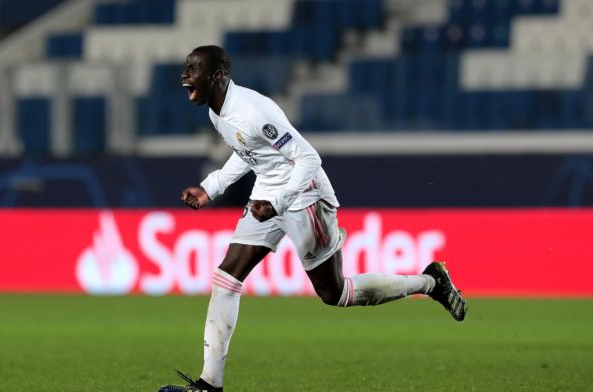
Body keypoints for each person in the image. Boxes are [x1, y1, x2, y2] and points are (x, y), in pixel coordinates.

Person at [159, 45, 467, 392]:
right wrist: (210, 187)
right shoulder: (218, 112)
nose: (184, 75)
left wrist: (278, 201)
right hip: (269, 194)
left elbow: (308, 158)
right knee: (227, 276)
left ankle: (430, 282)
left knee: (336, 293)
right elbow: (248, 152)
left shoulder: (252, 110)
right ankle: (209, 384)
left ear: (216, 75)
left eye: (192, 68)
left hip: (304, 195)